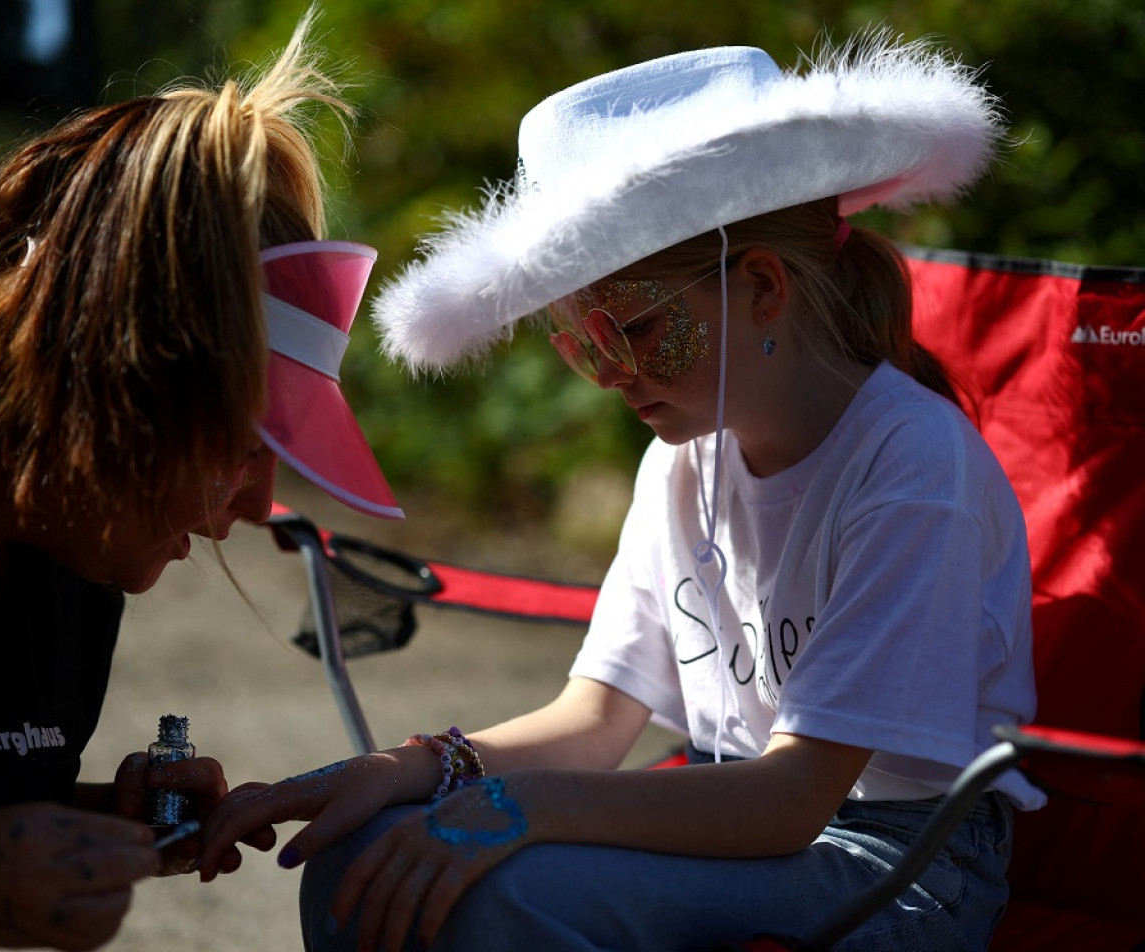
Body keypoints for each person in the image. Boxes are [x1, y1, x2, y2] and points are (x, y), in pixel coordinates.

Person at [198, 33, 1044, 952]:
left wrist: (515, 809)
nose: (612, 375)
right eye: (584, 344)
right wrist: (410, 771)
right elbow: (595, 719)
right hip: (757, 827)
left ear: (763, 286)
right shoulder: (682, 462)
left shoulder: (912, 464)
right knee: (362, 859)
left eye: (638, 329)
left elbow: (797, 798)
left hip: (900, 866)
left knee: (488, 897)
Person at [0, 10, 400, 951]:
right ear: (119, 370)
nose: (257, 504)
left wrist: (94, 823)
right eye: (241, 442)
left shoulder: (69, 530)